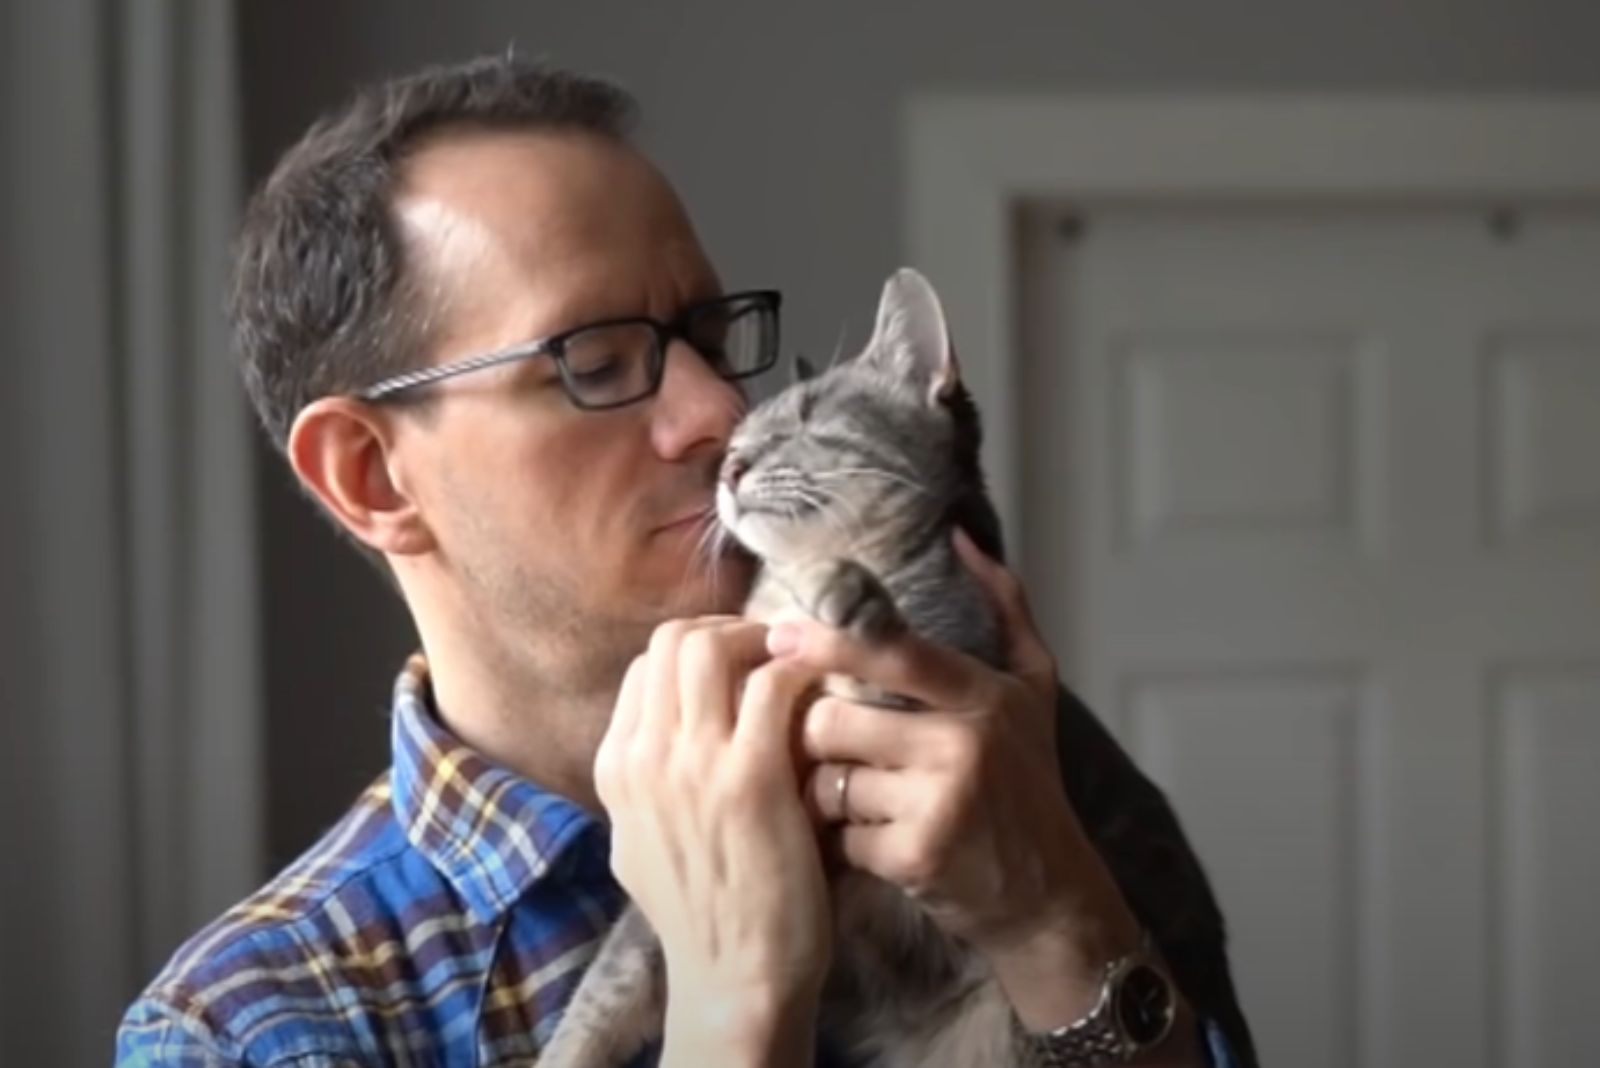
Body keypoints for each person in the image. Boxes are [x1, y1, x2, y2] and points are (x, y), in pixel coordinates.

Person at [115, 56, 1250, 1067]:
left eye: (710, 340)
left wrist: (1057, 919)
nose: (722, 412)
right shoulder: (253, 1029)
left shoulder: (1007, 767)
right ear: (371, 475)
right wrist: (732, 1011)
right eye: (597, 360)